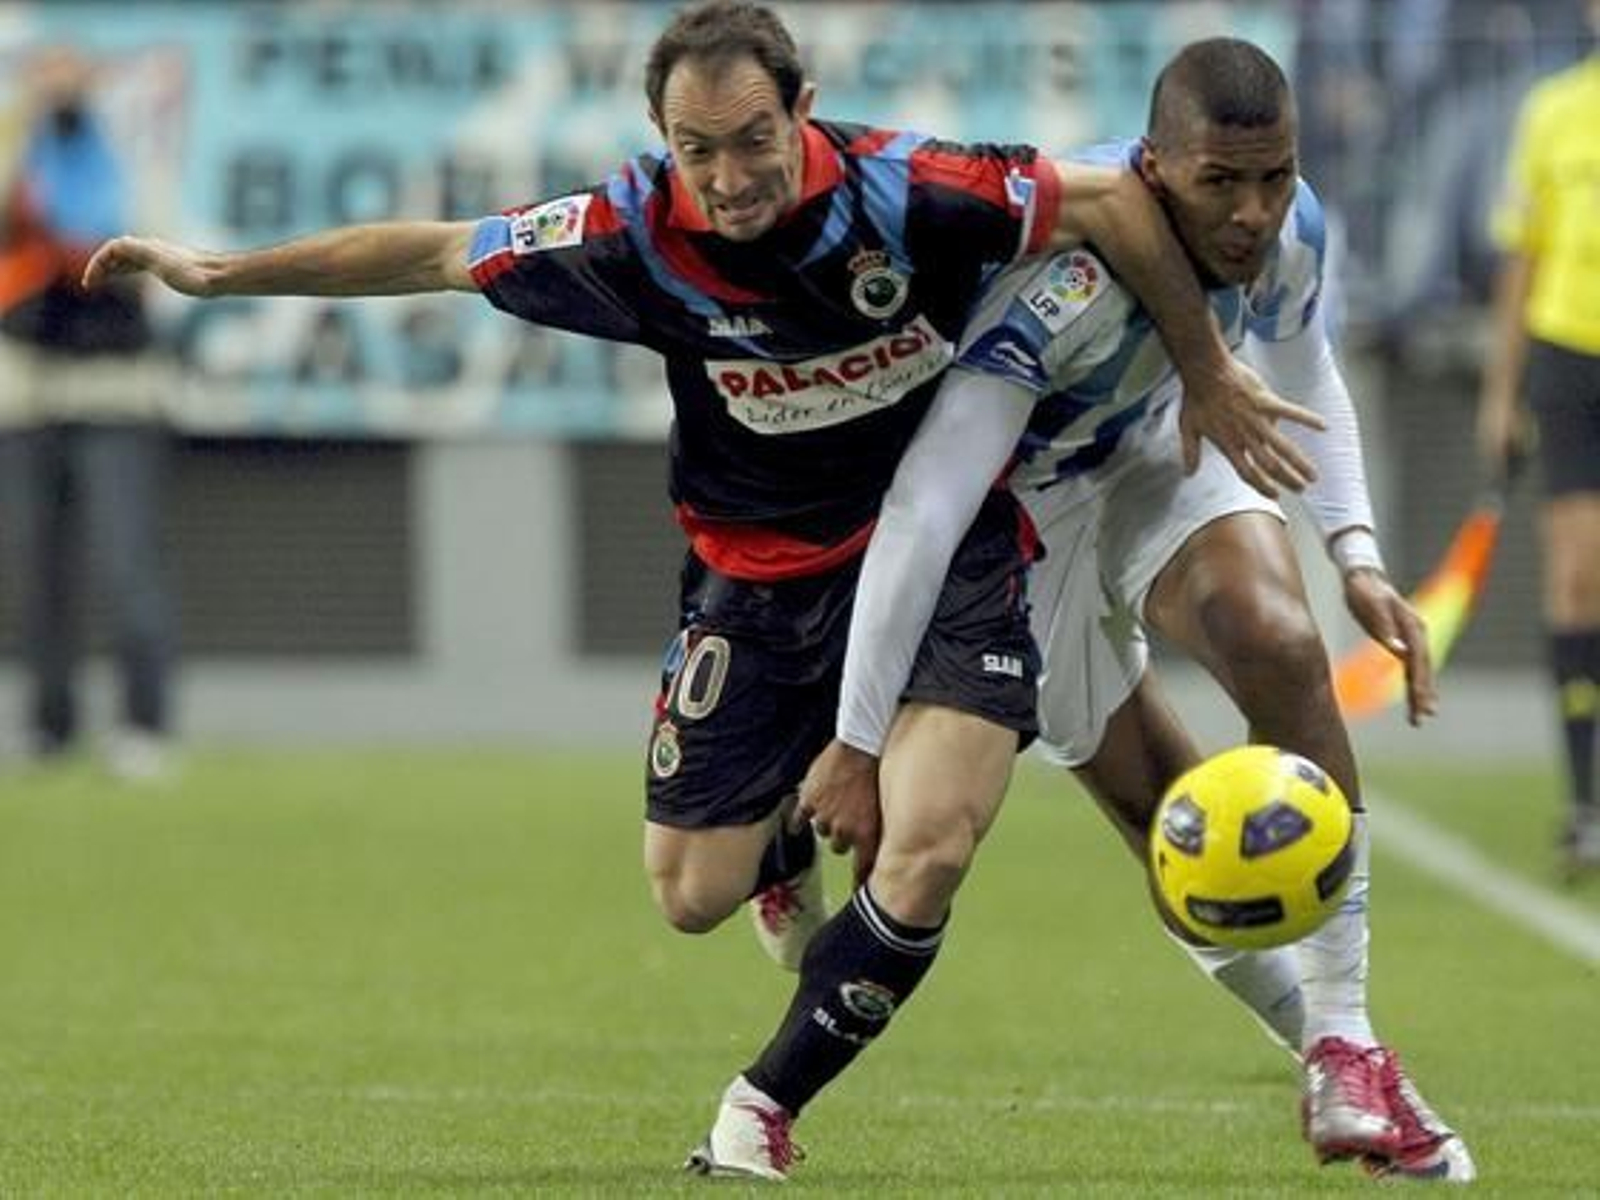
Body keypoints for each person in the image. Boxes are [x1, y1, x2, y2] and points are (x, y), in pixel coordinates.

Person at [83, 1, 1320, 1179]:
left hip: (950, 555)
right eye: (697, 150)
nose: (730, 177)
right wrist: (217, 273)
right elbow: (432, 252)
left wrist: (1208, 372)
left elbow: (1112, 198)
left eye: (754, 142)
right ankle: (777, 831)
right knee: (691, 896)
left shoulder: (905, 190)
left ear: (805, 114)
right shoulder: (626, 234)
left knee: (930, 843)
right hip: (757, 583)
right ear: (662, 146)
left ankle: (760, 1106)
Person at [816, 38, 1474, 1182]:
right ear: (1154, 168)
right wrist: (859, 739)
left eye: (1274, 176)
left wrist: (1356, 556)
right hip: (1019, 523)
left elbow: (1302, 366)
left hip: (1161, 452)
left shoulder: (1294, 219)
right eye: (1222, 182)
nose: (1256, 211)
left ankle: (1347, 1044)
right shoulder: (1056, 278)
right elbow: (930, 501)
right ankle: (1324, 1049)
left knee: (1276, 637)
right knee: (1170, 823)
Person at [0, 46, 177, 779]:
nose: (61, 89)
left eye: (72, 76)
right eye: (47, 76)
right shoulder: (21, 163)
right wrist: (24, 121)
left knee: (126, 565)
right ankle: (49, 726)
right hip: (28, 394)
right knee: (32, 571)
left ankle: (144, 726)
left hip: (116, 392)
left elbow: (164, 260)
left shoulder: (130, 165)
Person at [1478, 0, 1600, 877]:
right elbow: (1520, 261)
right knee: (1577, 573)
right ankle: (1585, 804)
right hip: (1570, 357)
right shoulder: (1553, 109)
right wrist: (1500, 391)